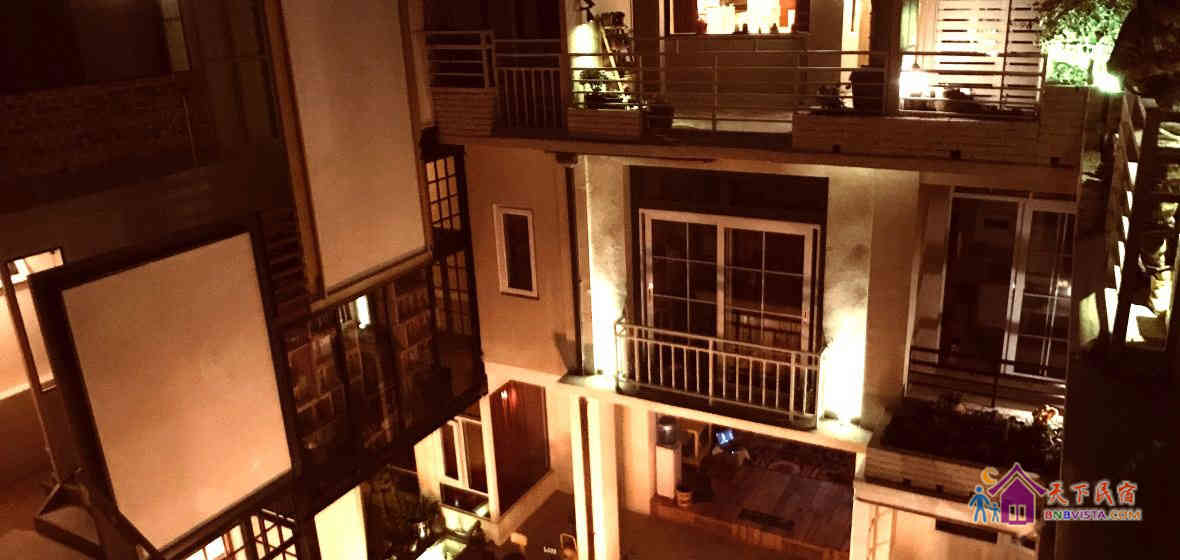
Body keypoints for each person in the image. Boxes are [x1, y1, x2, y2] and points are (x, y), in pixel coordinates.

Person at [1107, 0, 1180, 313]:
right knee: (1158, 207)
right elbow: (1118, 68)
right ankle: (1158, 276)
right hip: (1165, 124)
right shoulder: (1142, 18)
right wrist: (1161, 66)